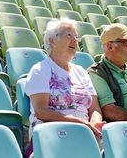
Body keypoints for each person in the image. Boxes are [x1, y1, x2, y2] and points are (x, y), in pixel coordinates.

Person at [25, 18, 105, 155]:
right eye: (69, 35)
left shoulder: (81, 71)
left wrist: (95, 124)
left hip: (86, 131)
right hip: (53, 131)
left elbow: (95, 107)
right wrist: (81, 123)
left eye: (76, 37)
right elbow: (41, 111)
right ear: (52, 40)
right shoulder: (40, 70)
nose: (75, 40)